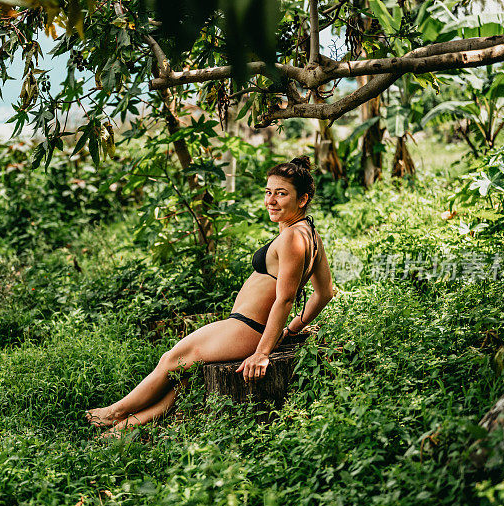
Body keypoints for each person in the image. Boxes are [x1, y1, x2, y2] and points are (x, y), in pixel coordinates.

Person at [86, 156, 334, 437]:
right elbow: (325, 293)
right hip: (250, 327)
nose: (271, 200)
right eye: (268, 192)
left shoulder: (292, 238)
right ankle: (125, 427)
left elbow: (285, 299)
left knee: (173, 358)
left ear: (302, 200)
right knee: (183, 375)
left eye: (281, 194)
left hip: (248, 328)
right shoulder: (309, 234)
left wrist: (263, 352)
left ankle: (112, 413)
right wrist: (290, 330)